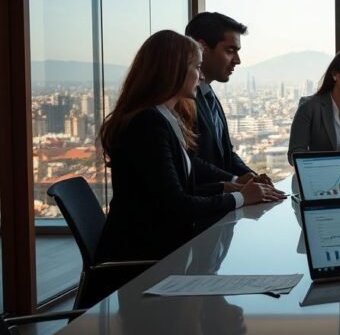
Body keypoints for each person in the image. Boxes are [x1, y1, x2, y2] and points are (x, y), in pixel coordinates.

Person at [96, 30, 283, 263]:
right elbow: (176, 204)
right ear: (173, 71)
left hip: (163, 250)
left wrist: (230, 186)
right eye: (197, 67)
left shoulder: (163, 117)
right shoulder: (148, 123)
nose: (201, 75)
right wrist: (241, 198)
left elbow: (173, 192)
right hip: (144, 260)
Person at [184, 12, 272, 186]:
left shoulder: (208, 95)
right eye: (230, 50)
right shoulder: (181, 100)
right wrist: (235, 181)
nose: (237, 61)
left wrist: (250, 176)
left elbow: (226, 154)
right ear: (201, 48)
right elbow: (188, 160)